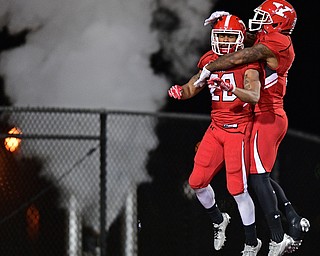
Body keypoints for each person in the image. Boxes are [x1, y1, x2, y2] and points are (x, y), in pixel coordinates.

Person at [193, 1, 310, 255]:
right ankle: (292, 218)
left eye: (263, 17)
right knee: (258, 176)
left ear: (277, 22)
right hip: (259, 116)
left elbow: (242, 54)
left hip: (268, 115)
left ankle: (278, 238)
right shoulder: (268, 35)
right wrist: (228, 23)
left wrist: (210, 66)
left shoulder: (278, 40)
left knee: (257, 178)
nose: (258, 20)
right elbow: (242, 38)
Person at [168, 14, 263, 255]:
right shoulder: (210, 60)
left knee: (237, 190)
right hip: (216, 127)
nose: (224, 41)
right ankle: (219, 220)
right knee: (196, 182)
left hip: (238, 130)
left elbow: (254, 97)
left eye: (230, 36)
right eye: (221, 36)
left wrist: (233, 88)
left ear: (240, 39)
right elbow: (193, 85)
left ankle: (252, 242)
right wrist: (181, 91)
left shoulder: (249, 65)